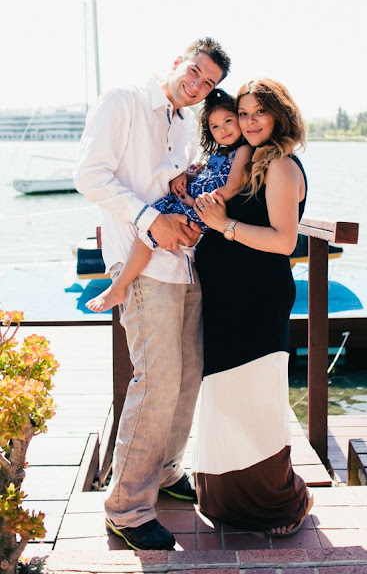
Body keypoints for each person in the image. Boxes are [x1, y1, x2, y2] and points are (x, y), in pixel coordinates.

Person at [74, 38, 231, 551]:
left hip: (182, 261)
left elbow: (167, 182)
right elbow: (89, 175)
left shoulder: (185, 123)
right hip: (141, 259)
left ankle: (164, 471)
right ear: (177, 61)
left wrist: (185, 181)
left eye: (209, 83)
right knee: (157, 381)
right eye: (195, 71)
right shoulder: (123, 100)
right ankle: (127, 507)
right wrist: (149, 218)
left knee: (187, 374)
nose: (198, 85)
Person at [192, 78, 314, 537]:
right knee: (225, 397)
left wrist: (224, 225)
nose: (249, 121)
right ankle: (227, 498)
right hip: (226, 298)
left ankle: (282, 503)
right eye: (243, 113)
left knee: (255, 400)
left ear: (280, 114)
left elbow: (284, 241)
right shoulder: (250, 160)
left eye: (259, 112)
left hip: (257, 299)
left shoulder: (280, 165)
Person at [85, 89, 252, 313]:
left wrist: (194, 203)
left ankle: (119, 287)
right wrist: (184, 176)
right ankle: (120, 285)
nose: (223, 129)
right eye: (215, 126)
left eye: (228, 121)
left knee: (149, 233)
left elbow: (231, 187)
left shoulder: (243, 150)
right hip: (189, 202)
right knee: (150, 222)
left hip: (204, 209)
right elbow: (206, 177)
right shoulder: (220, 154)